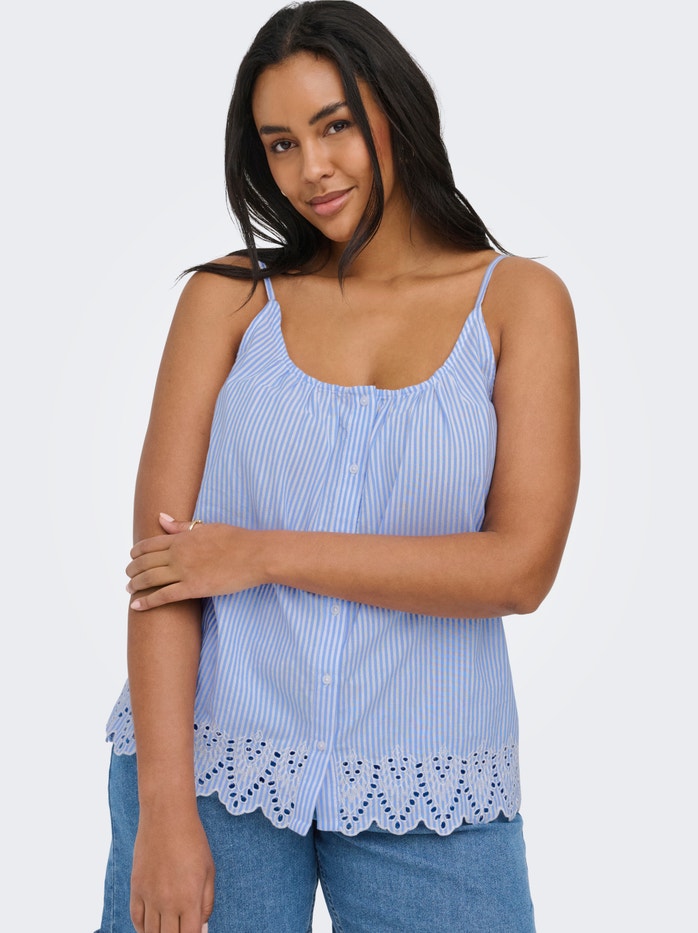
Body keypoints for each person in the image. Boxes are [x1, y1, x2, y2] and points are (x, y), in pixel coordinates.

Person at [96, 2, 580, 931]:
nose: (310, 169)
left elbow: (519, 568)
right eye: (280, 144)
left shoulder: (518, 301)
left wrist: (262, 553)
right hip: (213, 766)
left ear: (395, 113)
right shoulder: (229, 300)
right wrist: (163, 811)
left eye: (336, 126)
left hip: (430, 779)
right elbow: (163, 574)